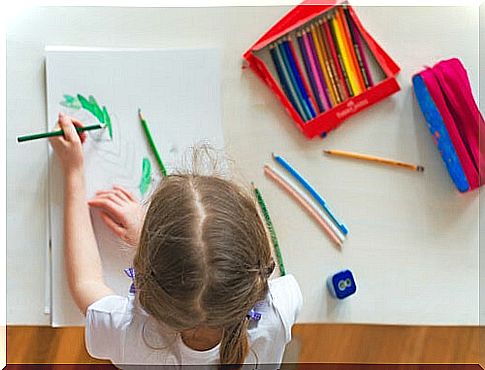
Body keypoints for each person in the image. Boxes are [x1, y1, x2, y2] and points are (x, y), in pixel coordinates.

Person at [49, 112, 302, 369]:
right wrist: (160, 245)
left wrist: (73, 170)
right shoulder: (277, 314)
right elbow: (264, 260)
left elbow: (85, 282)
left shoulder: (128, 332)